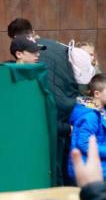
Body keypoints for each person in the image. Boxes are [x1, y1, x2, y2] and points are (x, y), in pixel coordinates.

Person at [7, 18, 79, 185]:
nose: (38, 55)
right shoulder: (58, 49)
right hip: (58, 119)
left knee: (52, 169)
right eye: (34, 52)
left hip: (50, 125)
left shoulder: (26, 71)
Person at [69, 74, 106, 200]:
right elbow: (83, 144)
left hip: (94, 169)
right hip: (88, 172)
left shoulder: (99, 111)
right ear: (97, 94)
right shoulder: (90, 116)